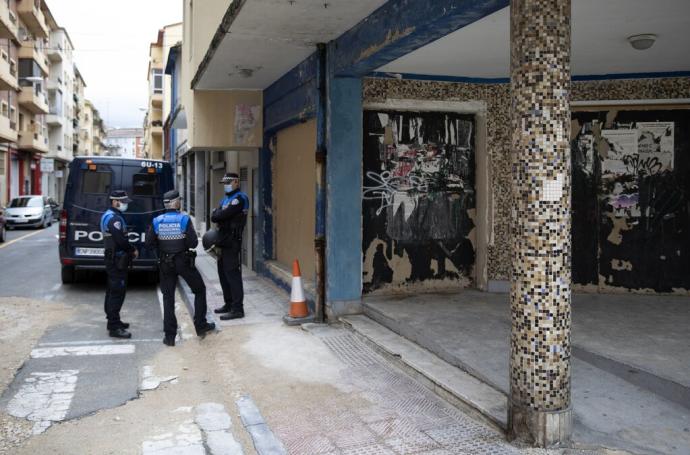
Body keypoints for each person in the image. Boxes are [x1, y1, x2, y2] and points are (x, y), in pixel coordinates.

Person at [146, 190, 216, 346]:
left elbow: (149, 243)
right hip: (183, 262)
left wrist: (162, 247)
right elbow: (193, 243)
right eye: (179, 200)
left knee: (168, 298)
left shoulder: (157, 220)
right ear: (175, 203)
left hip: (165, 263)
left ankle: (169, 337)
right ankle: (200, 325)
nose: (180, 203)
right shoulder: (184, 219)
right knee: (199, 290)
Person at [101, 190, 138, 338]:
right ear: (115, 201)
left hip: (113, 259)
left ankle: (113, 320)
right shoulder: (113, 219)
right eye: (122, 202)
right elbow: (121, 240)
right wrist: (132, 250)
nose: (124, 205)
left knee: (112, 290)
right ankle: (114, 327)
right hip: (116, 260)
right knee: (117, 292)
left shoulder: (110, 215)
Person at [212, 173, 249, 320]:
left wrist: (219, 213)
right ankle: (228, 303)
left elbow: (221, 214)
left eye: (228, 182)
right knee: (222, 274)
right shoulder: (225, 199)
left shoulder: (240, 198)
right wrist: (219, 213)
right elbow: (215, 216)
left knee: (232, 275)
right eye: (224, 183)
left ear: (236, 182)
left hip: (233, 240)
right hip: (222, 240)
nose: (226, 185)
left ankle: (238, 309)